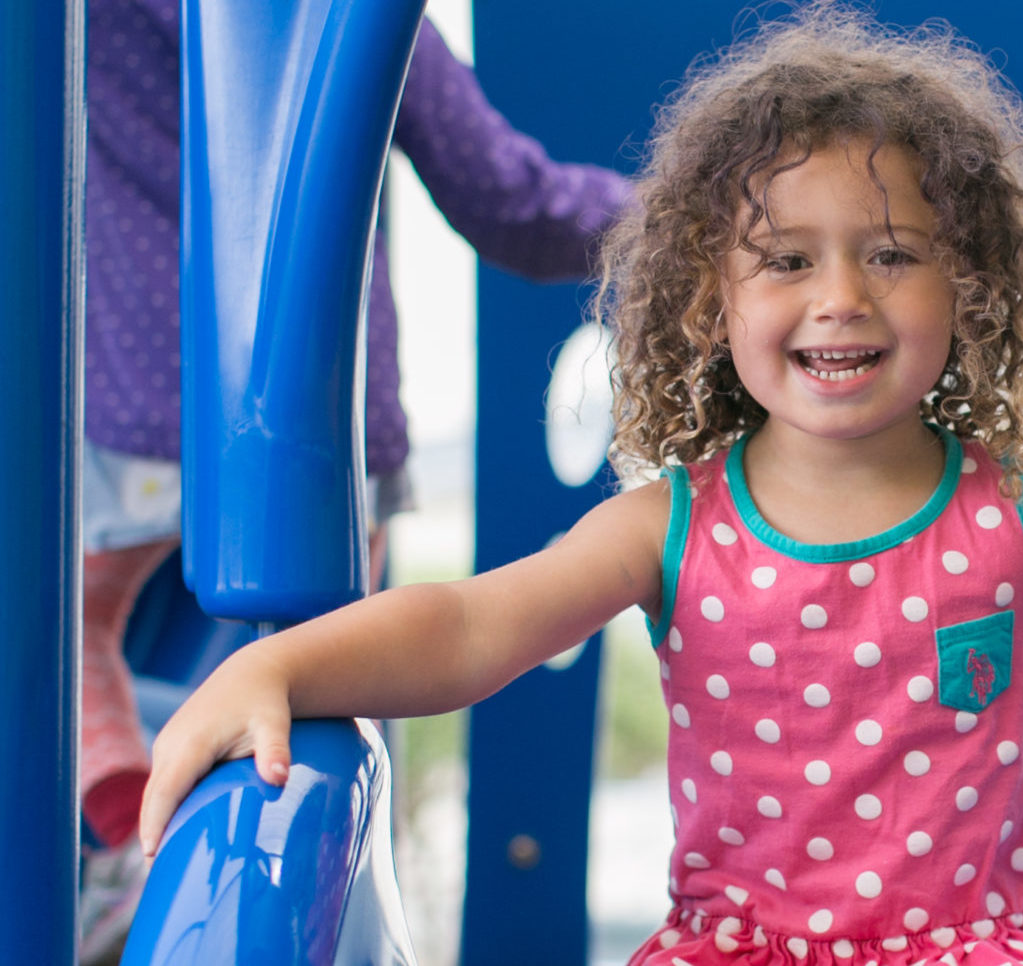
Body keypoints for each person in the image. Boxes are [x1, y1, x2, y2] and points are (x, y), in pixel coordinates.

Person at [138, 6, 1023, 964]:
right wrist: (277, 672)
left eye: (892, 251)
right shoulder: (675, 521)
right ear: (708, 298)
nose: (841, 296)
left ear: (972, 284)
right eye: (785, 258)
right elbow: (468, 627)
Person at [79, 1, 630, 959]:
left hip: (121, 411)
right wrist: (694, 220)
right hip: (314, 433)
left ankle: (120, 809)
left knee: (72, 635)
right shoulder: (344, 16)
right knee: (332, 669)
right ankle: (259, 868)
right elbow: (510, 201)